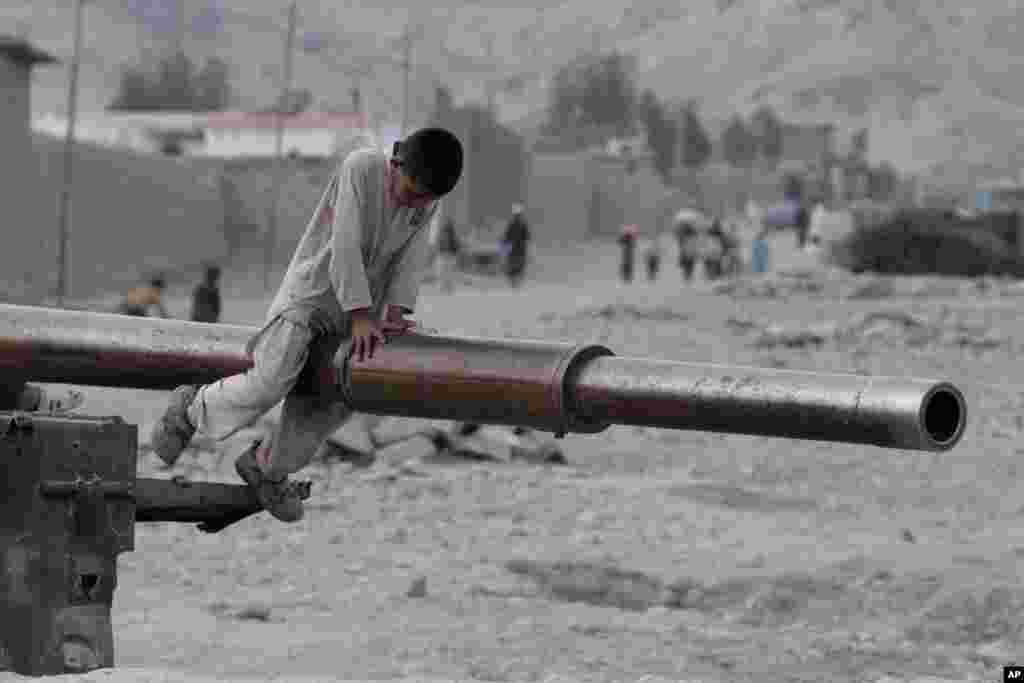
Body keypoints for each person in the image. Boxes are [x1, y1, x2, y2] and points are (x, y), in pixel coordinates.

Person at [149, 127, 464, 523]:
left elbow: (411, 260)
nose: (414, 203)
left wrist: (397, 314)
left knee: (329, 406)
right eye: (412, 190)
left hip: (359, 319)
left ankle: (265, 467)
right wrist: (362, 315)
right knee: (271, 380)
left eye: (424, 198)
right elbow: (345, 244)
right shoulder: (362, 168)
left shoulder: (425, 203)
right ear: (397, 163)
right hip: (311, 299)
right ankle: (189, 411)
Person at [501, 204, 531, 287]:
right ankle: (516, 281)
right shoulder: (522, 225)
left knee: (514, 267)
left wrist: (504, 244)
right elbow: (528, 237)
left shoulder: (513, 225)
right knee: (518, 267)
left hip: (515, 250)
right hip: (519, 250)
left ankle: (514, 281)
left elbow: (506, 237)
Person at [435, 214, 460, 293]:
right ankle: (447, 287)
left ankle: (445, 287)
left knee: (444, 272)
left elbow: (439, 243)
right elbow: (456, 244)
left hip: (445, 254)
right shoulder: (450, 234)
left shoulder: (444, 233)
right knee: (447, 272)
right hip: (448, 255)